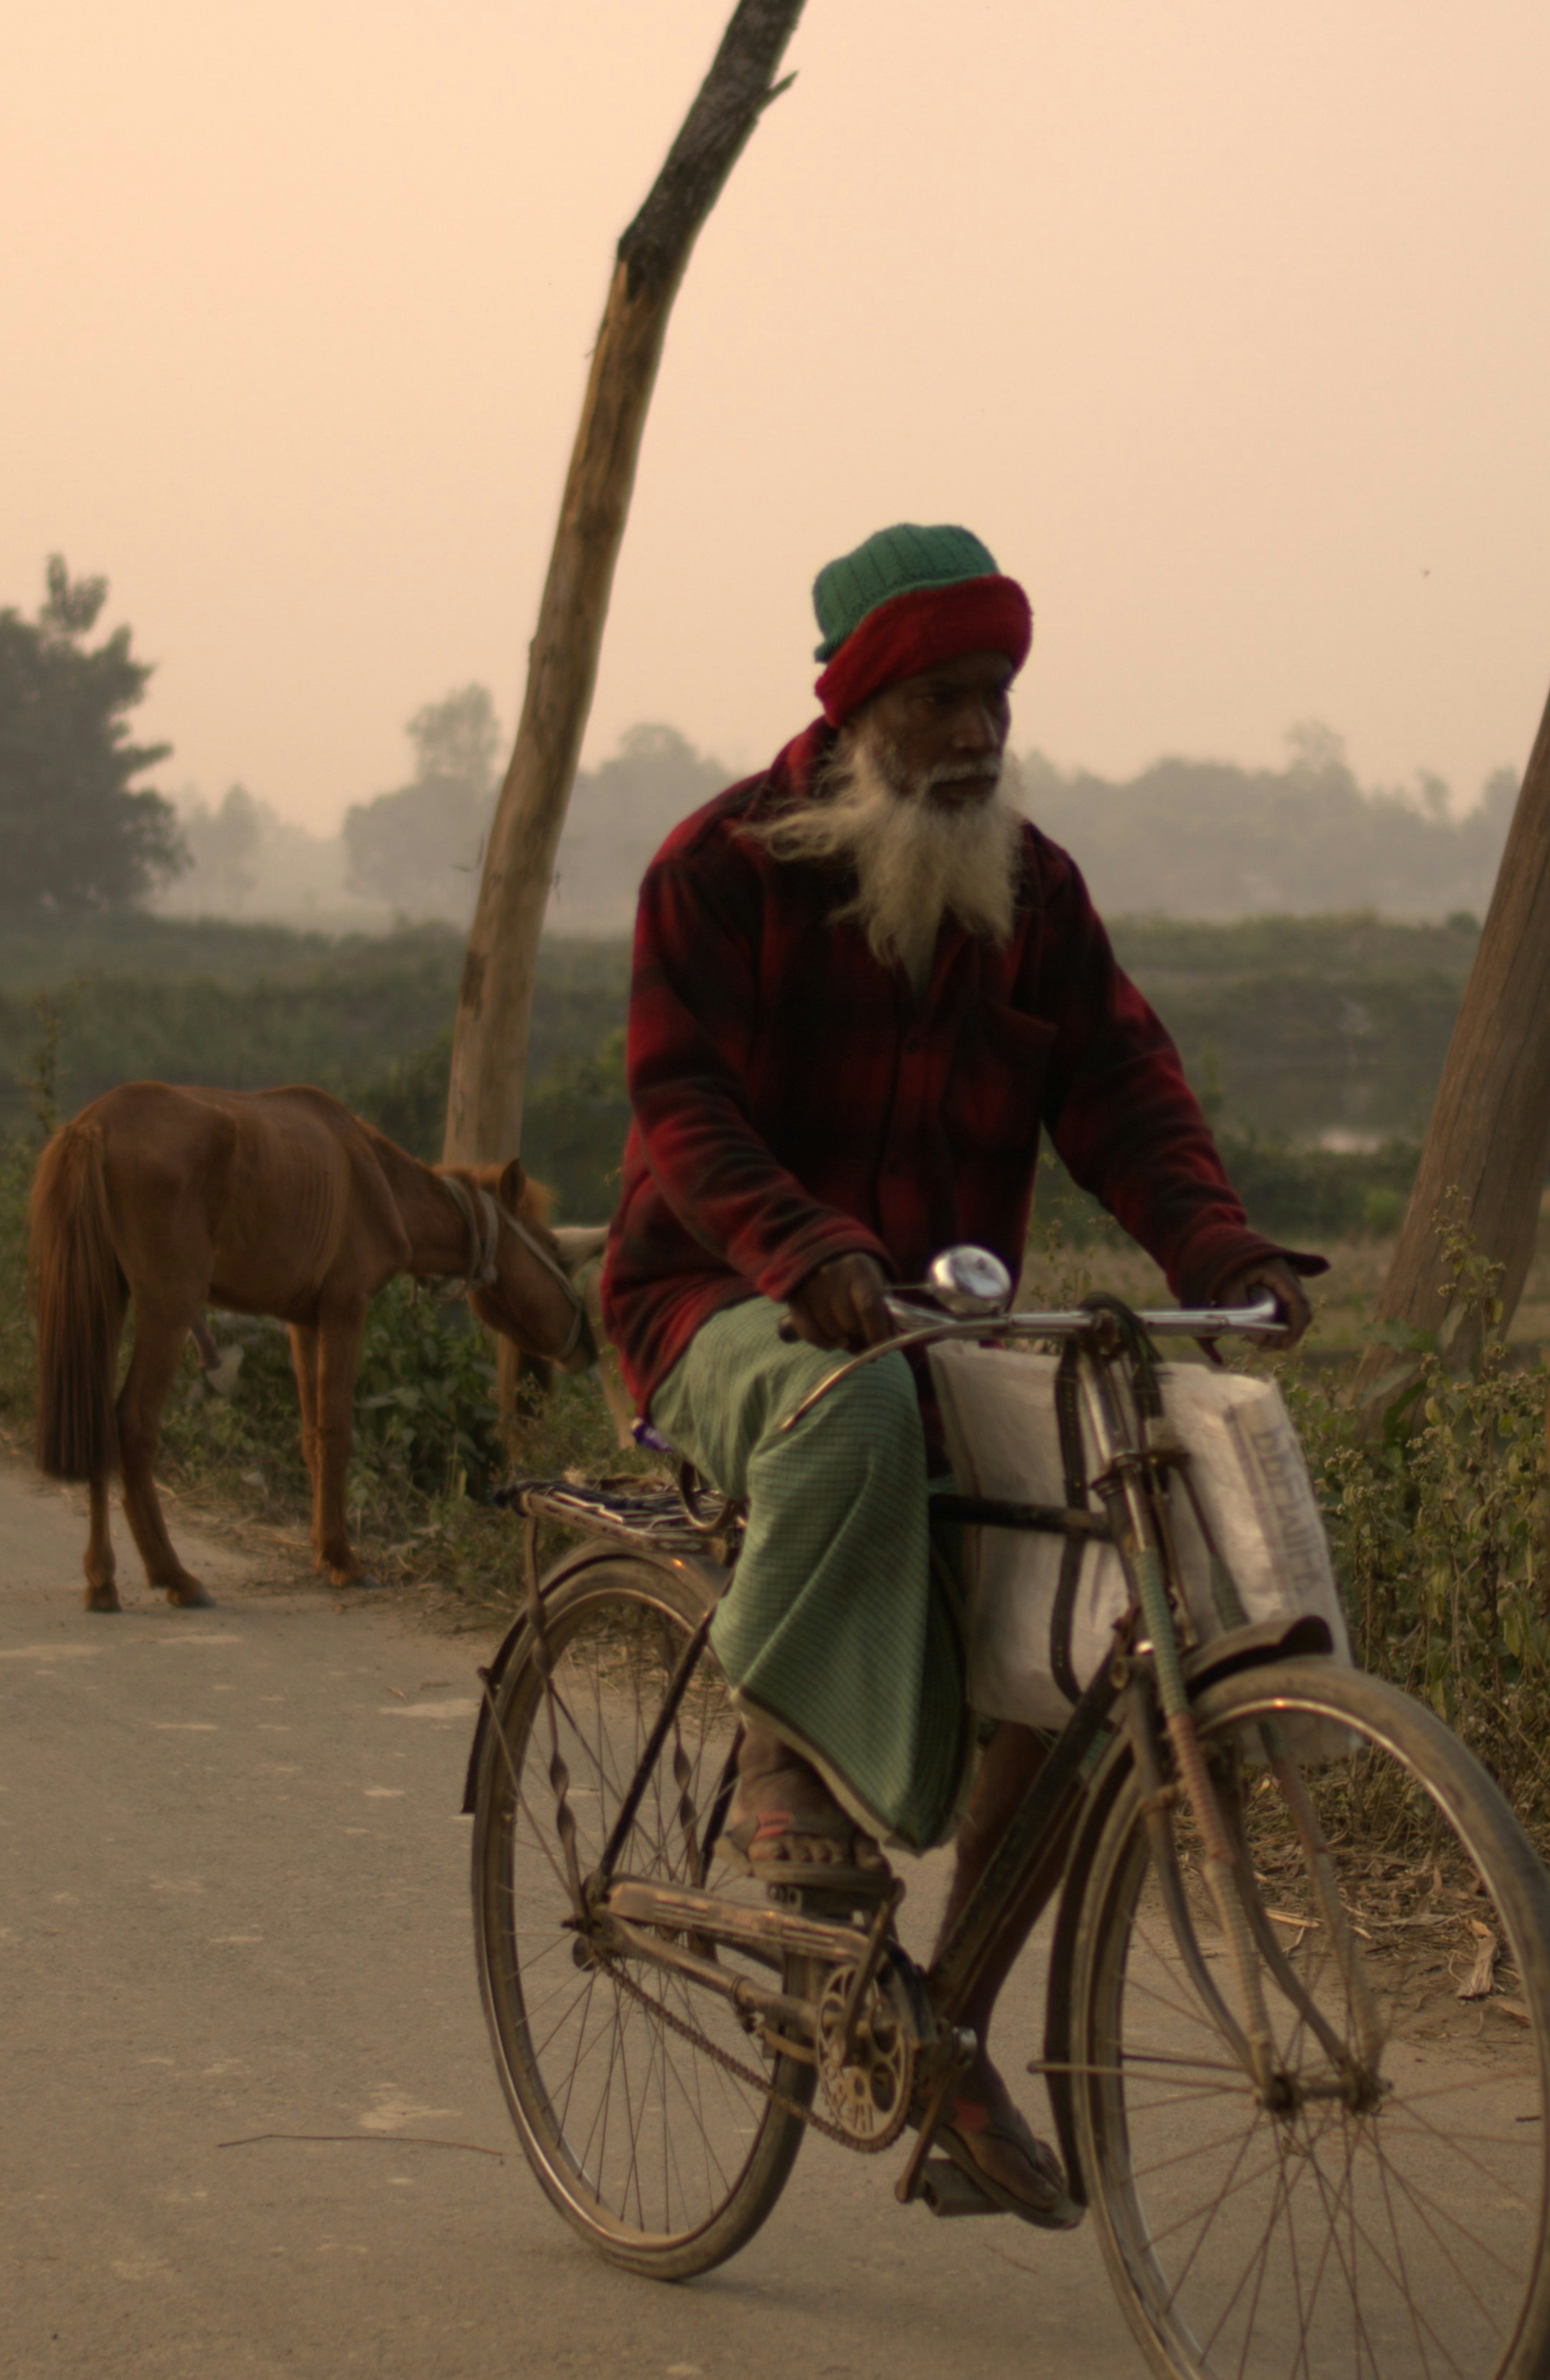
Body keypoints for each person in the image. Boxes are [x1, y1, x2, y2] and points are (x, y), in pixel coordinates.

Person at [598, 522, 1325, 2227]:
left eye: (993, 694)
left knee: (1089, 1618)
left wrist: (1217, 1255)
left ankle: (948, 2043)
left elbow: (1127, 1101)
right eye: (939, 698)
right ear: (858, 707)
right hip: (723, 1305)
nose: (976, 733)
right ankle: (785, 1769)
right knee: (848, 1416)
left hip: (937, 1327)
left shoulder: (1033, 893)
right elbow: (678, 1109)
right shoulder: (716, 871)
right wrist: (803, 1248)